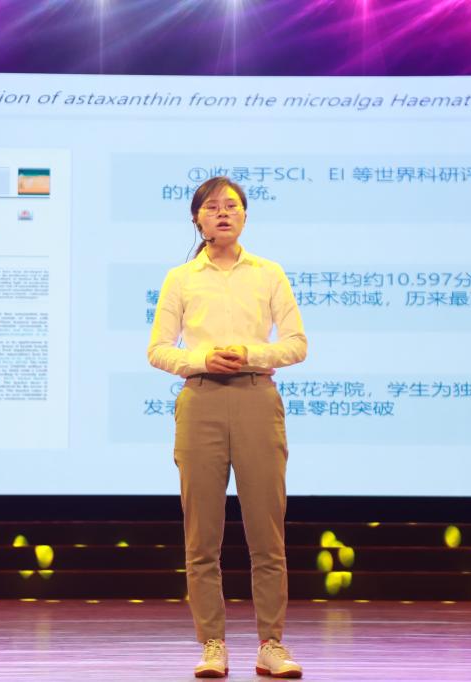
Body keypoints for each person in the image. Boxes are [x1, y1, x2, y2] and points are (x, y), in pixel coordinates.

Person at [147, 177, 307, 678]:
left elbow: (297, 343)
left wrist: (249, 353)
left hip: (258, 395)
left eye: (232, 206)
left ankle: (271, 643)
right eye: (212, 207)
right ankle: (212, 643)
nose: (223, 213)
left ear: (245, 216)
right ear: (197, 218)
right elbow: (158, 349)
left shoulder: (268, 273)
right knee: (202, 536)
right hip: (201, 400)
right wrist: (201, 359)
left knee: (267, 531)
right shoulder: (181, 278)